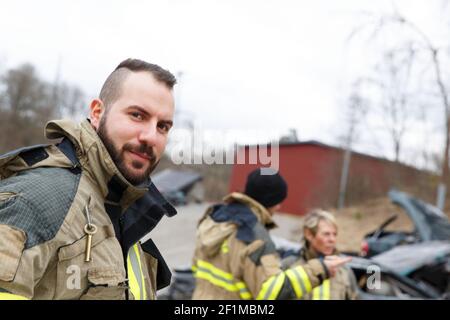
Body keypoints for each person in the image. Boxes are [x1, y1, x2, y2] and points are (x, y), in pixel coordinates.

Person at [0, 58, 178, 300]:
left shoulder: (121, 203)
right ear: (97, 112)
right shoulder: (37, 199)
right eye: (137, 115)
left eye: (163, 126)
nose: (150, 137)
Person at [191, 168, 351, 299]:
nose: (279, 207)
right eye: (279, 200)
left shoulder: (214, 217)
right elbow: (272, 292)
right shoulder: (254, 236)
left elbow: (196, 266)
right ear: (270, 200)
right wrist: (321, 268)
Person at [288, 209, 359, 300]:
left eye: (334, 234)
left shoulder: (344, 271)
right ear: (308, 234)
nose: (332, 239)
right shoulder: (290, 266)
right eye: (326, 234)